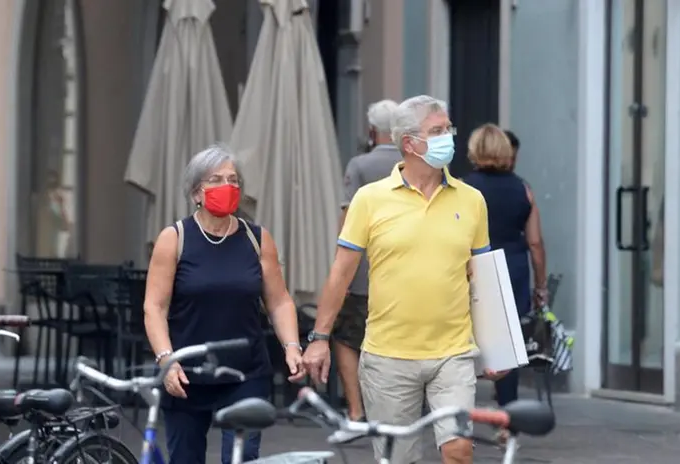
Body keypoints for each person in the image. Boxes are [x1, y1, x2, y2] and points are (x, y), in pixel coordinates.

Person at [302, 95, 503, 464]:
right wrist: (319, 339)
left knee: (459, 450)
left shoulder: (472, 200)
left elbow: (482, 275)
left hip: (453, 355)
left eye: (449, 129)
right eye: (438, 131)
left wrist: (499, 346)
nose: (449, 138)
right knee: (399, 460)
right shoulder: (370, 199)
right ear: (409, 143)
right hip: (388, 357)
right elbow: (341, 272)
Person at [143, 144, 306, 464]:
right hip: (187, 372)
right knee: (185, 458)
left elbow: (279, 301)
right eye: (216, 179)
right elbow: (154, 307)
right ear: (196, 193)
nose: (226, 187)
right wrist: (166, 360)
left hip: (245, 372)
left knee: (242, 456)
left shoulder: (257, 238)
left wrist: (291, 345)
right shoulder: (175, 238)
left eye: (232, 180)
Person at [462, 124, 547, 444]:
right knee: (506, 348)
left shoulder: (462, 188)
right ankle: (508, 421)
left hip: (472, 268)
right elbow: (536, 243)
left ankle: (461, 417)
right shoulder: (523, 190)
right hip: (511, 269)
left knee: (463, 342)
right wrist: (541, 286)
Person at [333, 99, 402, 424]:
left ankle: (356, 410)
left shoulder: (359, 165)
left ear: (372, 130)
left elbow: (347, 224)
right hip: (402, 270)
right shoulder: (411, 161)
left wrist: (339, 273)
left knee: (347, 338)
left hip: (362, 272)